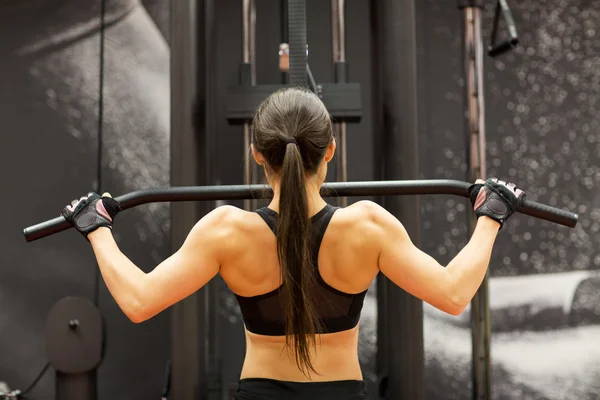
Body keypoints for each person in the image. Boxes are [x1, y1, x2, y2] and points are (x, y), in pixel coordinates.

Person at [61, 87, 525, 400]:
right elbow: (453, 292)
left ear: (257, 153)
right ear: (330, 149)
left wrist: (97, 229)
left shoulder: (226, 230)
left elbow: (139, 301)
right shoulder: (368, 226)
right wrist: (490, 217)